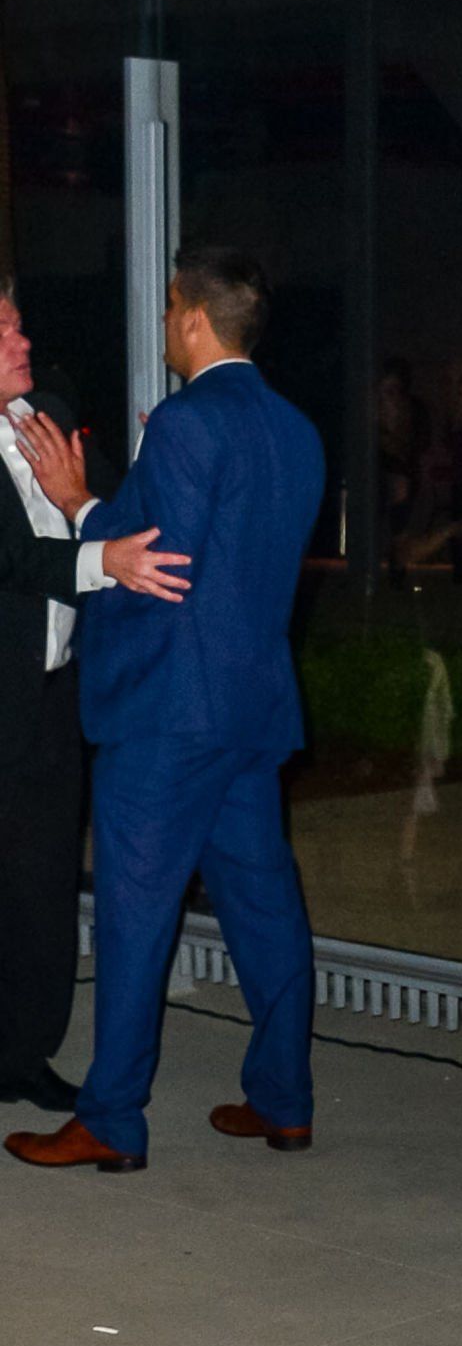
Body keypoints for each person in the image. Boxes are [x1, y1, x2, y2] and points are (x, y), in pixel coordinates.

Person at [4, 245, 325, 1175]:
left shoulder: (187, 421)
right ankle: (284, 1101)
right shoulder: (294, 428)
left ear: (191, 316)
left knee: (135, 919)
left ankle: (110, 1117)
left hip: (168, 716)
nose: (163, 324)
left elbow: (159, 563)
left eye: (168, 309)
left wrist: (81, 503)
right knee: (265, 907)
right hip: (251, 710)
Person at [0, 281, 191, 1115]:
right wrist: (101, 560)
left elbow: (109, 504)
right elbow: (19, 561)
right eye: (3, 328)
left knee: (43, 885)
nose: (23, 340)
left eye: (19, 322)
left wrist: (158, 473)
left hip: (50, 697)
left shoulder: (48, 412)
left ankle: (23, 1055)